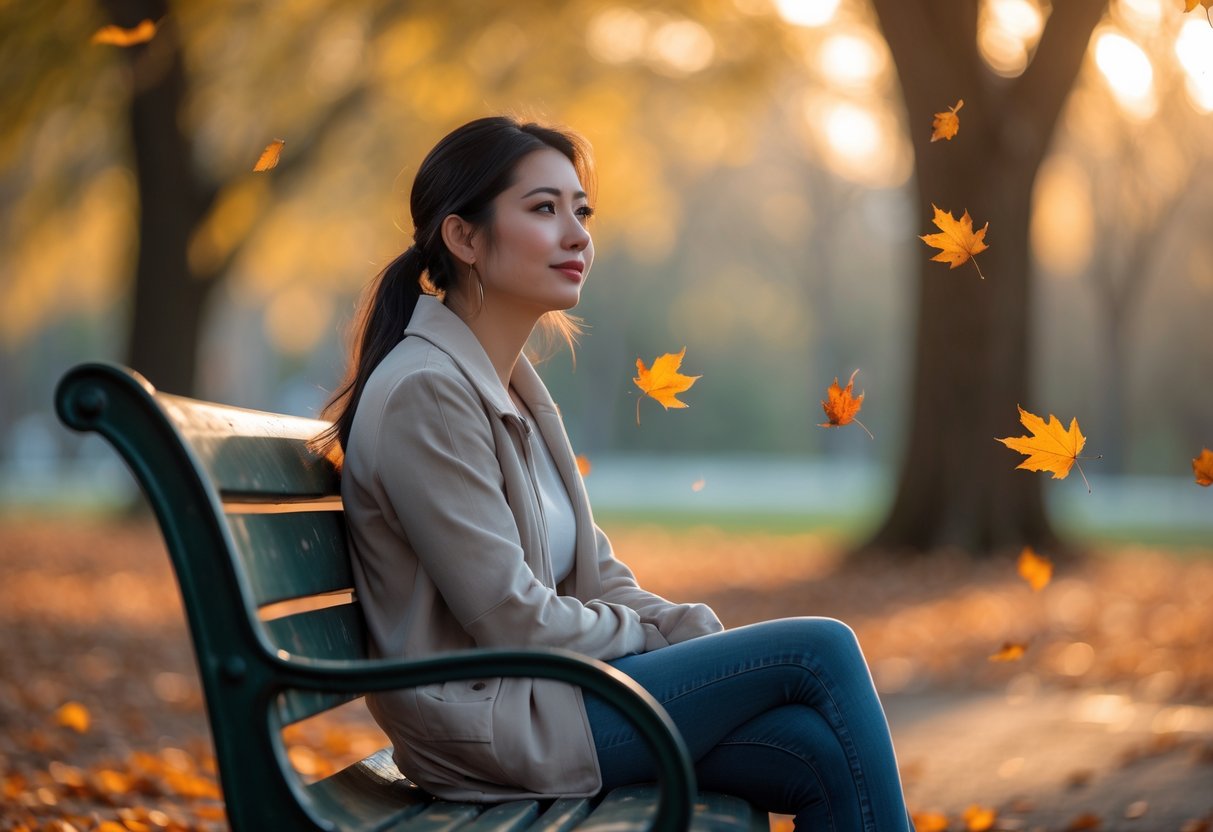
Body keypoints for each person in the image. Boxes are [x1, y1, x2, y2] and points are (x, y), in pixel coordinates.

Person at [317, 115, 915, 831]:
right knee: (819, 650)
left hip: (548, 699)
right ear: (464, 238)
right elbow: (510, 617)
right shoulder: (428, 391)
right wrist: (650, 641)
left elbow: (597, 577)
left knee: (815, 750)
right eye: (543, 209)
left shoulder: (512, 389)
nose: (576, 235)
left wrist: (681, 624)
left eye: (581, 210)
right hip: (493, 727)